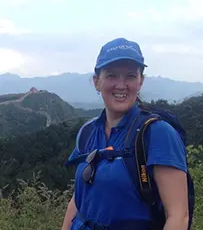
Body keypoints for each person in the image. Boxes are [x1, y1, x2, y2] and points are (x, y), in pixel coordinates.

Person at [62, 38, 189, 230]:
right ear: (97, 82)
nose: (121, 85)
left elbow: (178, 216)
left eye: (130, 76)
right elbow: (79, 200)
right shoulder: (88, 132)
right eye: (112, 75)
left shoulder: (158, 133)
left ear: (140, 82)